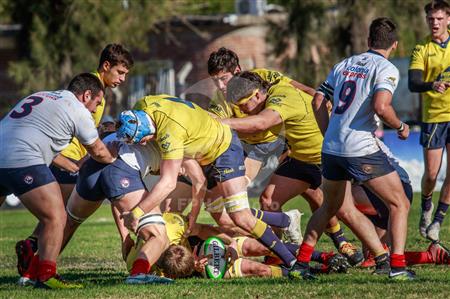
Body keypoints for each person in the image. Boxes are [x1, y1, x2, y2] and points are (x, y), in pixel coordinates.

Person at [117, 94, 310, 277]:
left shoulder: (170, 134)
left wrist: (137, 213)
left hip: (223, 149)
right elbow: (197, 180)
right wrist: (192, 217)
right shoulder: (142, 106)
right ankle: (285, 220)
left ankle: (293, 263)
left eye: (142, 140)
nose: (143, 144)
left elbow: (169, 183)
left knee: (239, 216)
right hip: (200, 153)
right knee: (222, 220)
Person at [297, 17, 414, 280]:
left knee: (329, 207)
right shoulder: (386, 68)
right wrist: (400, 126)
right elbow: (382, 107)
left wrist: (328, 134)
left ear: (368, 41)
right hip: (359, 148)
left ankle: (301, 264)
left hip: (331, 148)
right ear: (394, 45)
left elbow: (317, 100)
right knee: (400, 203)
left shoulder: (345, 64)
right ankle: (397, 267)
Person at [15, 43, 134, 277]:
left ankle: (33, 251)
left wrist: (102, 128)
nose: (122, 79)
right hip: (68, 160)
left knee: (60, 217)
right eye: (120, 72)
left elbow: (84, 125)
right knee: (66, 219)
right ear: (106, 66)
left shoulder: (94, 86)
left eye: (126, 75)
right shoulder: (93, 88)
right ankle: (37, 262)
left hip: (61, 157)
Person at [223, 71, 365, 266]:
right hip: (300, 158)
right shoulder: (262, 88)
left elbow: (262, 123)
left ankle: (381, 255)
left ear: (256, 94)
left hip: (326, 157)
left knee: (343, 210)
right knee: (269, 199)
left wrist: (221, 123)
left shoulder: (280, 97)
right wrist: (319, 96)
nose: (242, 110)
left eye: (243, 105)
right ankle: (276, 252)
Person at [0, 73, 116, 289]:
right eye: (97, 103)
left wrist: (72, 166)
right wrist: (114, 158)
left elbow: (35, 137)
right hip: (22, 157)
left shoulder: (41, 96)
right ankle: (46, 276)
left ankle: (34, 251)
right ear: (86, 95)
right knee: (56, 217)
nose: (95, 109)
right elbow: (99, 151)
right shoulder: (78, 110)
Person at [408, 0, 450, 241]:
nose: (435, 23)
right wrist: (431, 84)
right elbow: (413, 84)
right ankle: (426, 207)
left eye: (439, 18)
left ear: (448, 19)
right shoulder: (421, 48)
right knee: (432, 174)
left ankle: (438, 221)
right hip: (434, 117)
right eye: (431, 19)